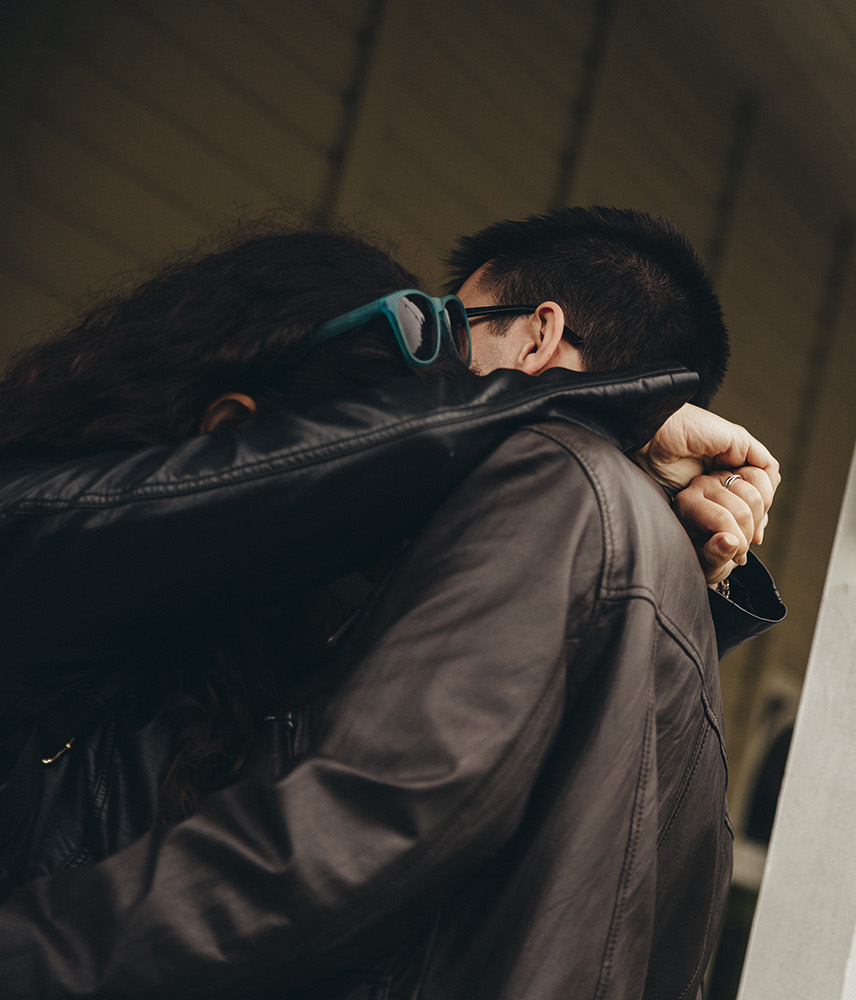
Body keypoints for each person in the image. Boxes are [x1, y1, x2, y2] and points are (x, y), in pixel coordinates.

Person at [0, 215, 781, 997]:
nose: (434, 371)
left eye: (447, 327)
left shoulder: (564, 513)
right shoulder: (122, 568)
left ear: (540, 340)